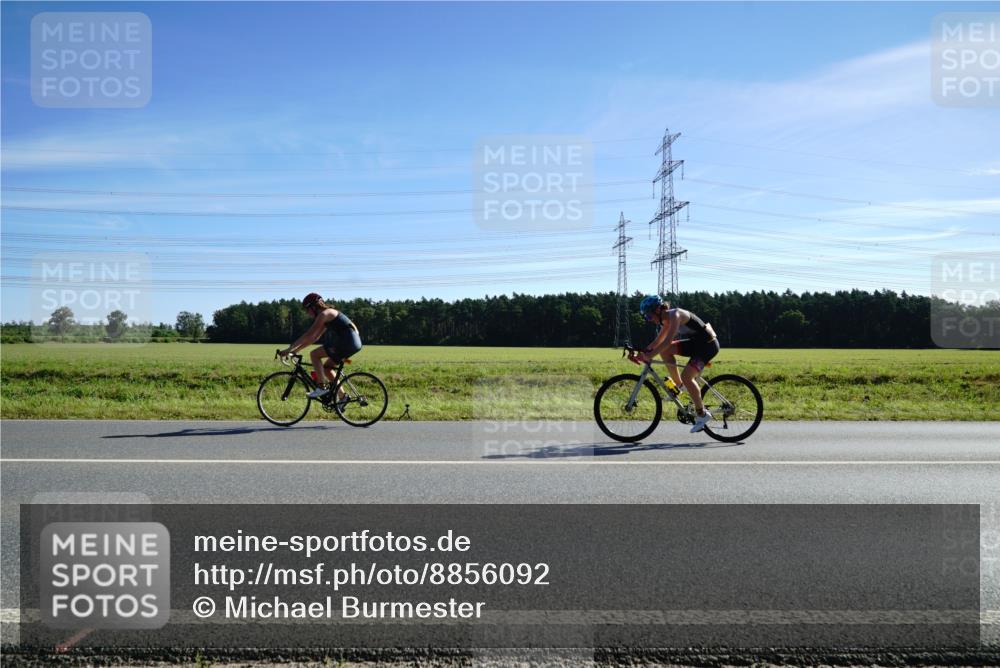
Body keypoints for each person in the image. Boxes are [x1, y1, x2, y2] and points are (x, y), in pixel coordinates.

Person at [637, 295, 720, 433]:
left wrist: (649, 355)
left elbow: (667, 341)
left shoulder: (675, 315)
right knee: (666, 352)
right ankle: (679, 385)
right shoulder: (665, 320)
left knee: (687, 376)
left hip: (708, 346)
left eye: (649, 316)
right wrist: (642, 352)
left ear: (658, 309)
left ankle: (702, 414)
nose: (649, 320)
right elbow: (658, 341)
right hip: (696, 344)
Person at [279, 293, 363, 401]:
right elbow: (314, 338)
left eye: (307, 310)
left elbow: (309, 334)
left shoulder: (324, 314)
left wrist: (289, 349)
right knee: (327, 369)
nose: (307, 313)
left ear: (313, 307)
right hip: (352, 342)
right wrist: (296, 350)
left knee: (314, 354)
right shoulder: (327, 315)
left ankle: (321, 387)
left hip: (347, 341)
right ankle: (343, 398)